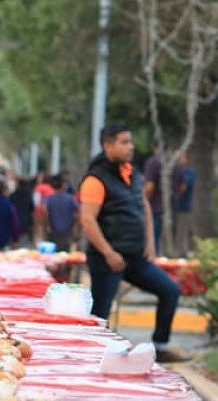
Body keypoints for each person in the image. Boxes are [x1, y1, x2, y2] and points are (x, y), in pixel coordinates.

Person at [79, 123, 188, 364]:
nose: (131, 146)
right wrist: (108, 253)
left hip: (135, 257)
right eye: (124, 142)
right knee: (100, 315)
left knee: (170, 290)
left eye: (131, 141)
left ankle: (160, 345)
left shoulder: (132, 173)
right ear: (108, 145)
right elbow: (87, 220)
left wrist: (150, 243)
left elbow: (144, 207)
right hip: (107, 260)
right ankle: (90, 358)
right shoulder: (95, 179)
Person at [43, 174, 80, 250]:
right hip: (68, 231)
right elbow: (78, 212)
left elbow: (45, 213)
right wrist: (75, 226)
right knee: (65, 252)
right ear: (63, 185)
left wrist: (47, 225)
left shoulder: (49, 199)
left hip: (53, 230)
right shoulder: (70, 198)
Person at [143, 142, 165, 255]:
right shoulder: (174, 163)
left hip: (154, 208)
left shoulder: (153, 162)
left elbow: (149, 186)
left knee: (152, 244)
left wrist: (142, 201)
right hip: (171, 209)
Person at [173, 153, 195, 256]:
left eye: (183, 157)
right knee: (176, 231)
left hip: (184, 207)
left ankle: (183, 253)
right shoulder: (174, 171)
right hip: (173, 207)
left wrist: (176, 191)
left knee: (183, 230)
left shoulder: (189, 172)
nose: (181, 160)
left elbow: (183, 187)